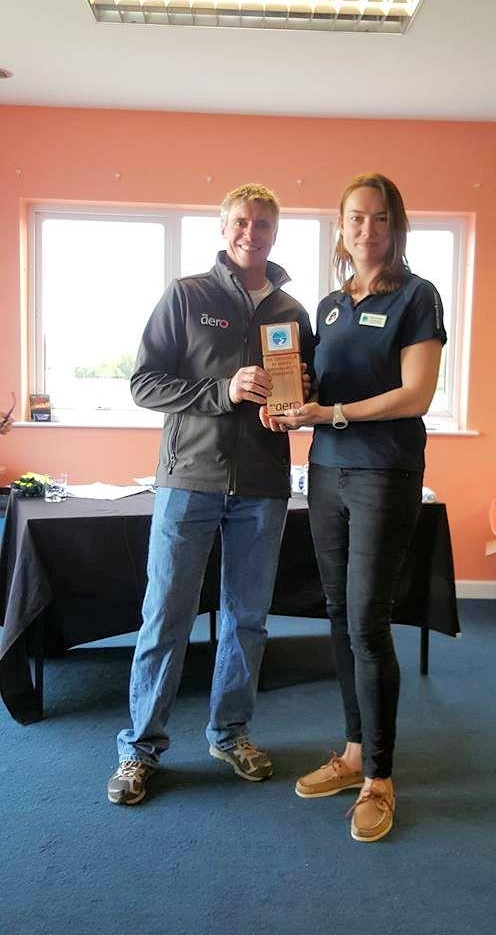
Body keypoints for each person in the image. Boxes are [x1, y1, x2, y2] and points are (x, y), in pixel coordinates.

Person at [107, 183, 314, 805]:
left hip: (263, 486)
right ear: (224, 229)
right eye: (242, 222)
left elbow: (304, 393)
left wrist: (298, 399)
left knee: (247, 619)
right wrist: (221, 390)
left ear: (276, 233)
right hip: (188, 481)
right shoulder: (187, 295)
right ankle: (140, 748)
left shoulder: (293, 311)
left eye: (264, 224)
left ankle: (230, 732)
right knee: (166, 616)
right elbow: (144, 383)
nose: (252, 233)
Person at [264, 173, 446, 842]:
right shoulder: (332, 304)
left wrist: (328, 411)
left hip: (383, 473)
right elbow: (317, 384)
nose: (366, 229)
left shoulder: (416, 296)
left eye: (377, 218)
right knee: (339, 614)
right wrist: (291, 397)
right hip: (329, 475)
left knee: (368, 621)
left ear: (394, 226)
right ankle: (350, 752)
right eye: (354, 219)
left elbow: (415, 394)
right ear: (340, 228)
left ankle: (380, 776)